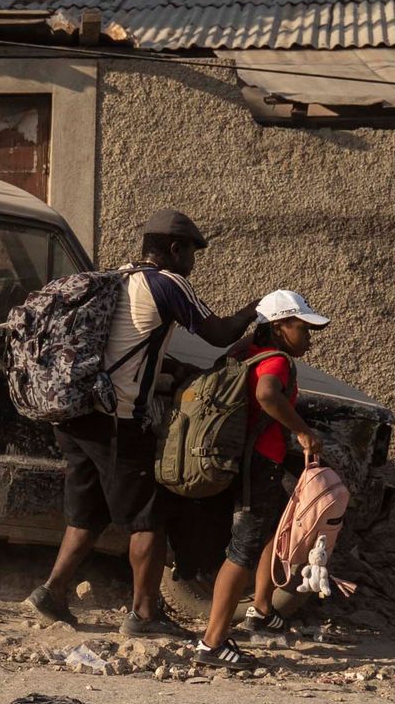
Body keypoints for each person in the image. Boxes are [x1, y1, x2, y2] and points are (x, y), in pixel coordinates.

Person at [24, 210, 258, 637]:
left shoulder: (120, 278)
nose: (193, 263)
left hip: (75, 415)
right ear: (175, 249)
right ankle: (145, 615)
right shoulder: (168, 283)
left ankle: (52, 594)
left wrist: (172, 366)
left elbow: (122, 348)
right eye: (191, 253)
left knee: (88, 513)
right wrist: (260, 306)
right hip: (117, 420)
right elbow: (220, 334)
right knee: (149, 516)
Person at [193, 290, 331, 670]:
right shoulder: (277, 363)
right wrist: (302, 431)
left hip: (247, 460)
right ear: (279, 326)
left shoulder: (245, 350)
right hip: (260, 462)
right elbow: (267, 395)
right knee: (243, 550)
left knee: (273, 531)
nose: (308, 337)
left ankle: (261, 607)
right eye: (302, 327)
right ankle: (212, 643)